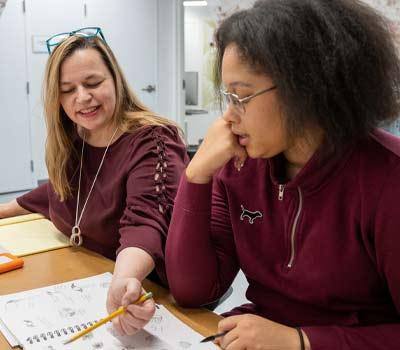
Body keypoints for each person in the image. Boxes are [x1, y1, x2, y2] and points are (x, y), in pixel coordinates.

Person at [166, 0, 400, 349]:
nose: (228, 116)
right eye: (226, 96)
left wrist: (301, 341)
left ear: (306, 90)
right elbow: (192, 290)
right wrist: (196, 175)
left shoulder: (387, 179)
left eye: (241, 97)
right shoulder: (239, 166)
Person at [0, 28, 188, 335]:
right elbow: (60, 191)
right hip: (87, 277)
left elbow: (145, 222)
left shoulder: (153, 141)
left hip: (146, 292)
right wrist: (5, 209)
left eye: (93, 83)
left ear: (115, 79)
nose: (82, 97)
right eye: (67, 89)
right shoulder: (76, 138)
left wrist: (124, 280)